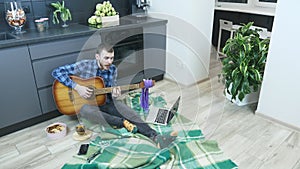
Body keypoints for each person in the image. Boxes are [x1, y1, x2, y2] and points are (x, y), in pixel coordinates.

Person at [52, 43, 177, 149]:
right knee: (85, 110)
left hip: (106, 102)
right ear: (97, 57)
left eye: (112, 58)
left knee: (130, 112)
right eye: (106, 58)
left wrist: (114, 93)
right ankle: (122, 123)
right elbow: (57, 72)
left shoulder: (112, 69)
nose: (109, 62)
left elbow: (112, 87)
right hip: (87, 105)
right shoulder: (85, 65)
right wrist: (77, 87)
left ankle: (155, 137)